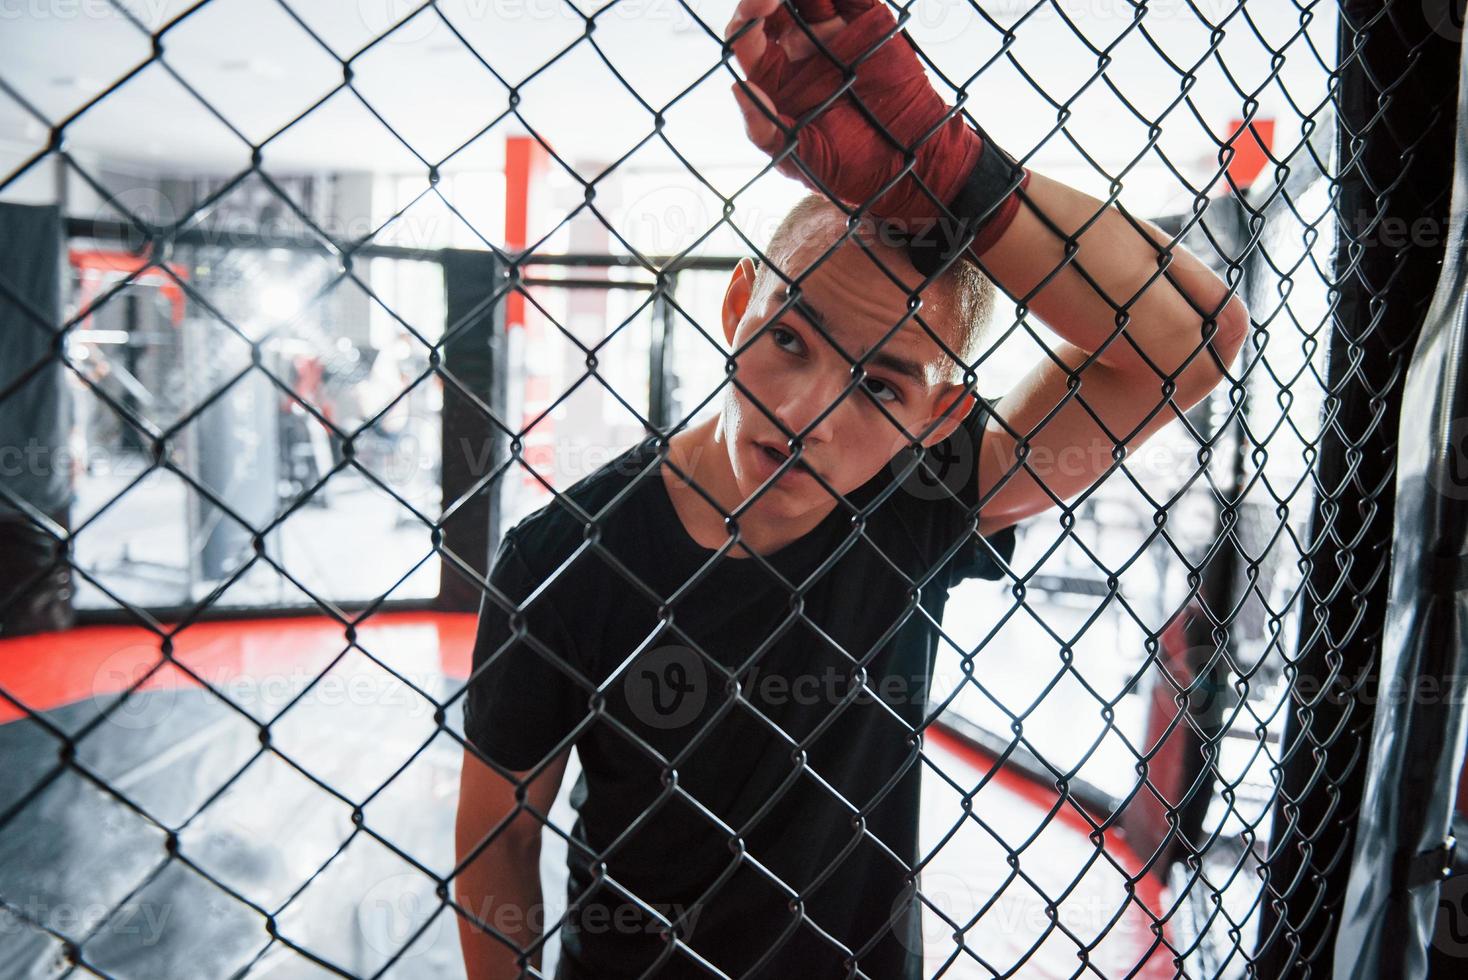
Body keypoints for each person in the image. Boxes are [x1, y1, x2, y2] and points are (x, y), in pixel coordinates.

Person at [455, 0, 1250, 976]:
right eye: (790, 337)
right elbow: (498, 838)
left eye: (880, 382)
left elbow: (1198, 338)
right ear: (739, 302)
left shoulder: (917, 501)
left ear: (939, 416)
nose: (806, 412)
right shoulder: (562, 554)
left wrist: (953, 171)